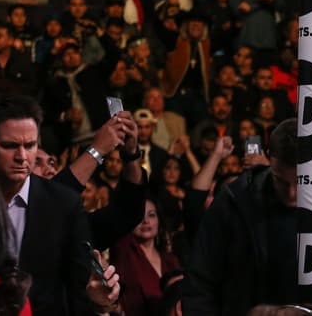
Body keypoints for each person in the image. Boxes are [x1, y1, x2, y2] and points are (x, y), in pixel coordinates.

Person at [0, 93, 122, 315]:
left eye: (30, 145)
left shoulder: (64, 205)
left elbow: (79, 290)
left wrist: (98, 302)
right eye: (10, 145)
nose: (22, 156)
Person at [181, 119, 300, 313]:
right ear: (270, 158)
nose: (291, 194)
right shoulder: (233, 202)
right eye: (282, 181)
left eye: (301, 181)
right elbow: (201, 281)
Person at [109, 198, 181, 316]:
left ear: (159, 220)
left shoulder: (170, 260)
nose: (145, 221)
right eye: (139, 216)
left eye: (151, 215)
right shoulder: (123, 251)